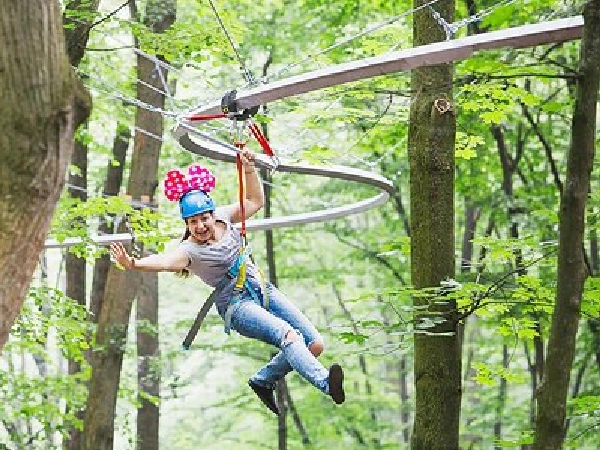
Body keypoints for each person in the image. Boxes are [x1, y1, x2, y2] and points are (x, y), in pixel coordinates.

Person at [109, 148, 345, 415]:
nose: (201, 226)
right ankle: (326, 384)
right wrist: (133, 264)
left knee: (315, 344)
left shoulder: (225, 217)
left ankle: (263, 380)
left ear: (212, 213)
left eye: (204, 218)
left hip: (262, 290)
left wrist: (248, 168)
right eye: (193, 222)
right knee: (288, 335)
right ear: (187, 224)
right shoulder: (189, 251)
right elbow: (163, 261)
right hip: (237, 306)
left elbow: (254, 201)